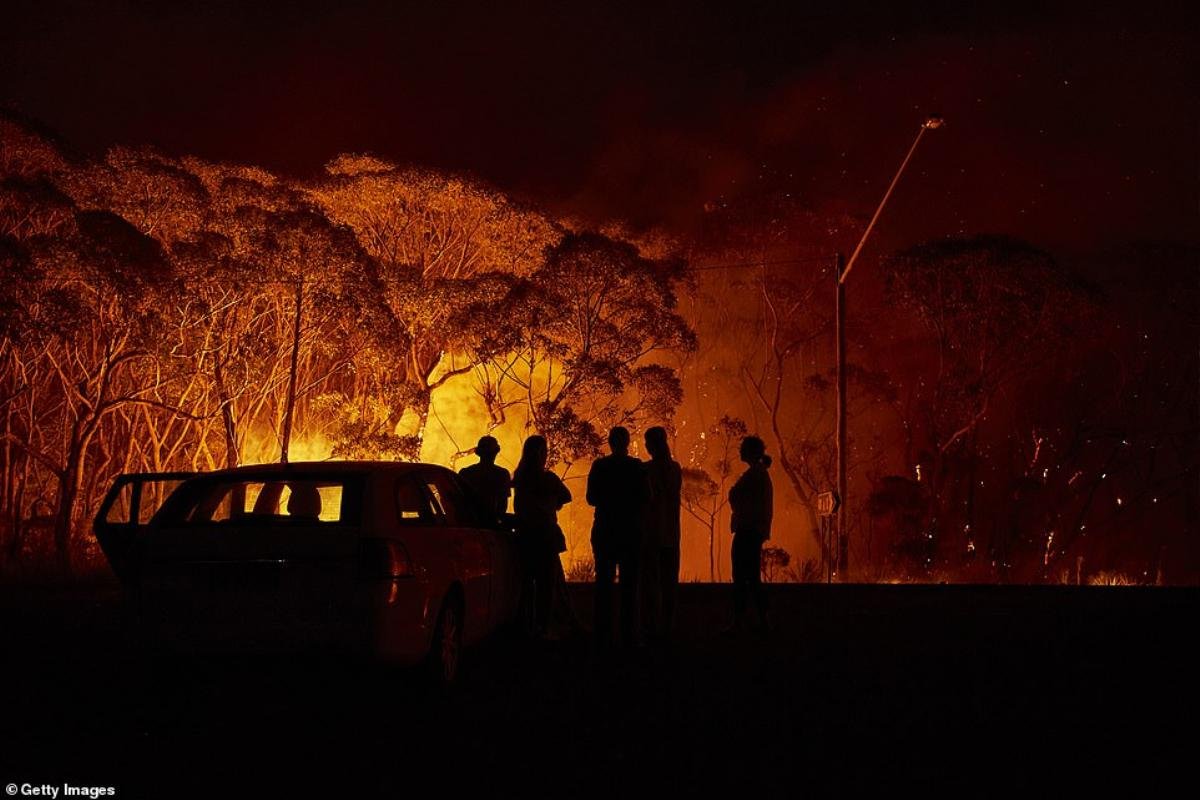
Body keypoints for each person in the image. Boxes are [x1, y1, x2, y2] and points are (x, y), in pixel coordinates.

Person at [587, 426, 649, 648]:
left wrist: (609, 500)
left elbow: (591, 498)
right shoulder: (636, 467)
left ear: (610, 442)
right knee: (630, 585)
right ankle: (629, 634)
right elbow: (646, 497)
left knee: (603, 584)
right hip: (630, 532)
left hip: (605, 530)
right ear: (627, 443)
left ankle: (603, 634)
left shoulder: (600, 466)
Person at [512, 435, 572, 638]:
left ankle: (526, 626)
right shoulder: (548, 479)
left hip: (525, 537)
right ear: (540, 454)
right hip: (545, 538)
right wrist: (553, 503)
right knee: (546, 585)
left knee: (527, 584)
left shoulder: (519, 479)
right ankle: (543, 627)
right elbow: (567, 496)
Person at [727, 435, 773, 633]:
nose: (740, 452)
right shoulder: (759, 473)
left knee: (742, 577)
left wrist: (734, 495)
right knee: (752, 577)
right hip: (753, 530)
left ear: (751, 451)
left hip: (748, 530)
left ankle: (742, 621)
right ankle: (759, 620)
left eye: (743, 448)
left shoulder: (754, 474)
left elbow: (737, 496)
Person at [641, 426, 682, 641]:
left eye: (648, 442)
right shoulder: (674, 469)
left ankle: (651, 626)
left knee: (650, 583)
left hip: (651, 536)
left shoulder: (645, 470)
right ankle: (667, 626)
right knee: (668, 584)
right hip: (671, 535)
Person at [458, 435, 511, 522]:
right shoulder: (502, 474)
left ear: (478, 452)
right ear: (496, 452)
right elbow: (502, 505)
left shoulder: (466, 473)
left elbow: (459, 502)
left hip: (469, 522)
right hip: (491, 524)